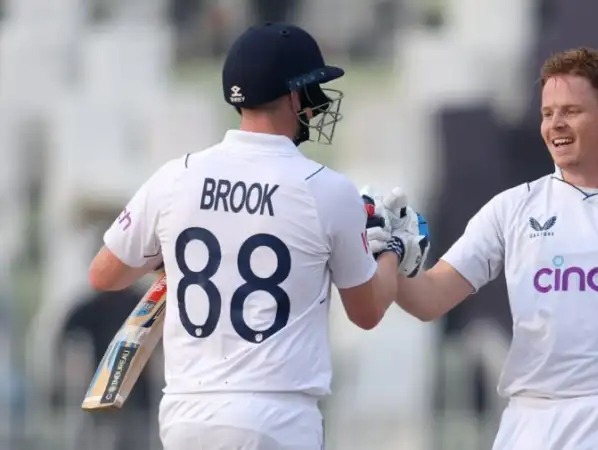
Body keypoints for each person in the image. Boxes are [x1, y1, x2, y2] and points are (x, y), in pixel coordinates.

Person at [87, 22, 422, 450]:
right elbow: (368, 311)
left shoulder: (175, 177)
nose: (318, 104)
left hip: (187, 416)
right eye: (314, 90)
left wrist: (168, 254)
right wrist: (392, 247)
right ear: (294, 95)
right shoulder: (327, 189)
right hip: (277, 418)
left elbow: (103, 275)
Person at [368, 47, 598, 450]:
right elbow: (429, 300)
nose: (555, 125)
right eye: (548, 113)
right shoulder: (512, 207)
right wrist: (388, 255)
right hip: (526, 424)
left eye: (571, 111)